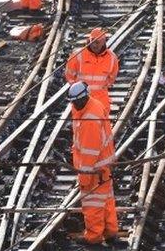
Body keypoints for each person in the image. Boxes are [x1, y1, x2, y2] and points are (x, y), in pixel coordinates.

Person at [68, 81, 118, 245]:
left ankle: (94, 237)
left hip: (94, 169)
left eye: (78, 101)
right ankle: (111, 232)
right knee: (106, 201)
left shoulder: (90, 117)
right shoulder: (90, 107)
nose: (76, 104)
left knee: (92, 205)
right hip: (103, 166)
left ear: (84, 97)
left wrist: (85, 176)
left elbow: (90, 151)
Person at [65, 28, 119, 112]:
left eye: (97, 42)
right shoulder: (78, 55)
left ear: (104, 42)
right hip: (82, 100)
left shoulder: (112, 58)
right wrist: (78, 91)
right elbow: (69, 75)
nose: (94, 45)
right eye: (92, 41)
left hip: (100, 100)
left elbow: (111, 79)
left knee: (103, 123)